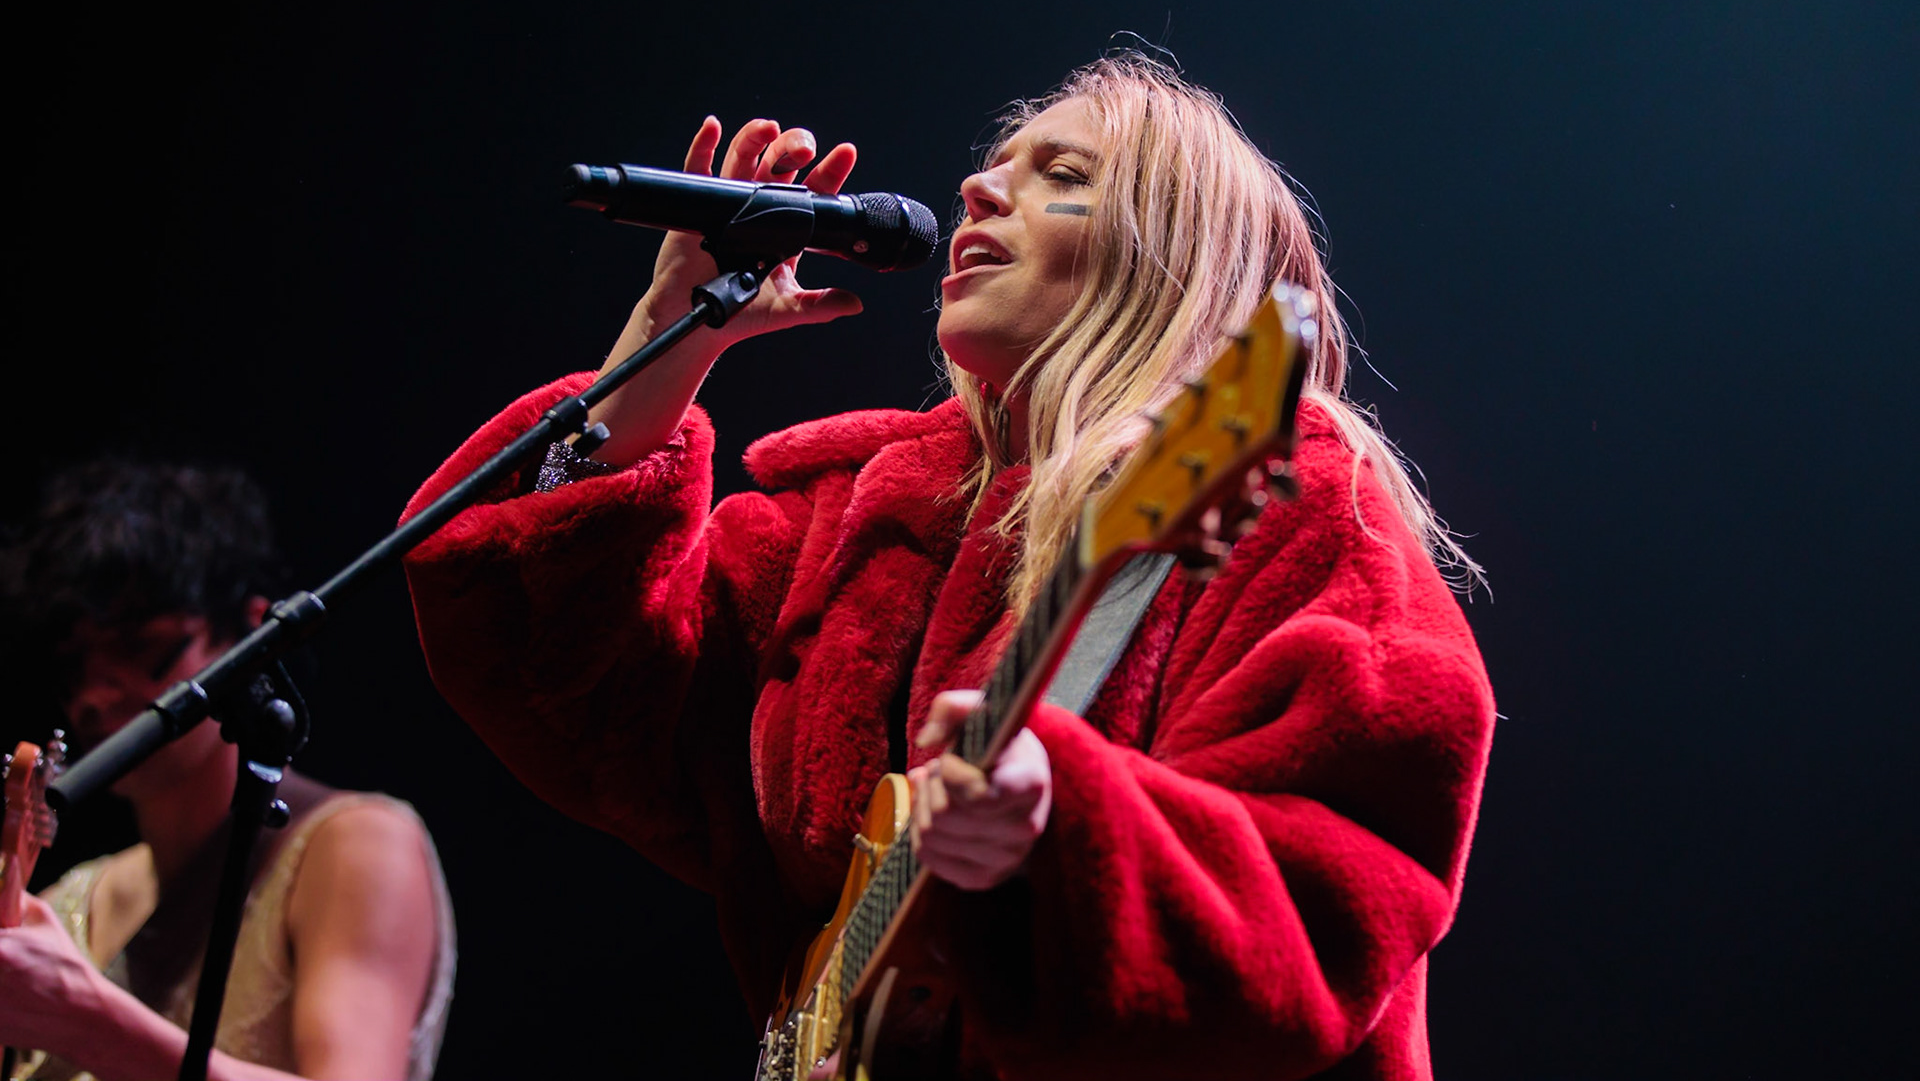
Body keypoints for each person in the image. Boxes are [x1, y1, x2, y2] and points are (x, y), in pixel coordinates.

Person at [404, 52, 1494, 1080]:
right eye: (995, 163)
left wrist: (1062, 828)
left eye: (1063, 175)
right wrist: (673, 330)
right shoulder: (867, 511)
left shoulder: (1292, 499)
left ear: (1170, 254)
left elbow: (1338, 883)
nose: (975, 186)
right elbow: (585, 694)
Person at [0, 462, 456, 1081]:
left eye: (137, 646)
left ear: (248, 639)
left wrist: (86, 1020)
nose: (95, 696)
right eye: (75, 662)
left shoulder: (356, 843)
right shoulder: (67, 902)